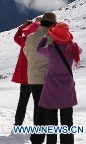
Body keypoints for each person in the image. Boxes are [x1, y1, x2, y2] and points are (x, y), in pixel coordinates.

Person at [37, 22, 81, 144]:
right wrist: (69, 43)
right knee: (67, 122)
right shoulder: (73, 48)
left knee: (51, 122)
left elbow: (38, 49)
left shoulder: (50, 49)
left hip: (51, 90)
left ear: (54, 36)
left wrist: (46, 37)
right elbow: (79, 50)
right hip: (67, 90)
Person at [24, 12, 57, 144]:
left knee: (39, 108)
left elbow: (26, 53)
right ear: (52, 25)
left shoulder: (30, 37)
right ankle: (40, 139)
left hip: (32, 78)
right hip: (47, 79)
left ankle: (37, 138)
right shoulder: (51, 39)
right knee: (48, 112)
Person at [11, 17, 41, 125]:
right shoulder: (42, 42)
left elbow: (16, 37)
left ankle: (18, 123)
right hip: (37, 78)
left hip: (25, 78)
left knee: (22, 102)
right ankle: (37, 125)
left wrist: (23, 27)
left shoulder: (25, 41)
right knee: (37, 103)